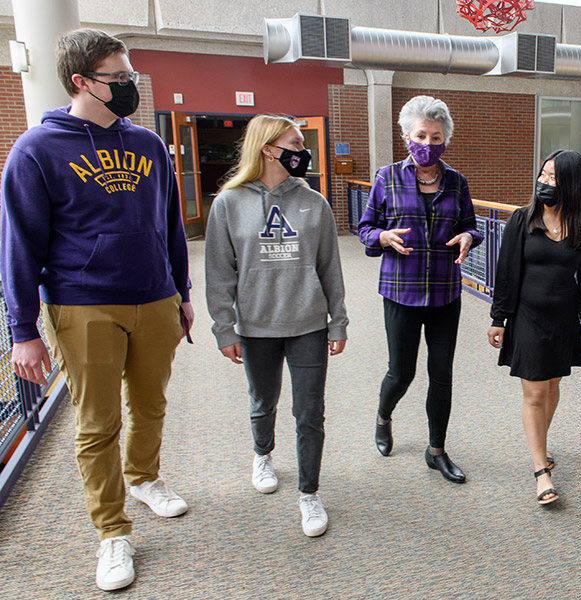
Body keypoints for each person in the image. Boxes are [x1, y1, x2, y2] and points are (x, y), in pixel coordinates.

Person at [0, 29, 192, 591]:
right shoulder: (36, 149)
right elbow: (19, 244)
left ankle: (144, 478)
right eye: (120, 77)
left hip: (155, 298)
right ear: (82, 81)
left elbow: (171, 225)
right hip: (83, 304)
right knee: (97, 422)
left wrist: (181, 293)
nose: (131, 85)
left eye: (131, 74)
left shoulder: (149, 145)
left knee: (151, 404)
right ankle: (112, 531)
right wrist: (23, 330)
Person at [205, 115, 348, 538]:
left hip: (308, 324)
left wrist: (338, 322)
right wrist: (224, 328)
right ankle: (262, 454)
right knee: (262, 401)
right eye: (295, 143)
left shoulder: (314, 203)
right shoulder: (229, 203)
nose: (303, 151)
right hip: (256, 325)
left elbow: (330, 268)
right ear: (268, 149)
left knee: (310, 413)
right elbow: (219, 273)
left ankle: (309, 493)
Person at [357, 95, 483, 483]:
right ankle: (383, 417)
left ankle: (437, 450)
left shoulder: (457, 182)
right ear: (407, 136)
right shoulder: (386, 177)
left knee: (441, 373)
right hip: (401, 292)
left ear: (445, 140)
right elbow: (364, 228)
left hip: (445, 292)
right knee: (402, 372)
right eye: (421, 135)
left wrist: (468, 237)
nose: (428, 143)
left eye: (436, 137)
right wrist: (381, 237)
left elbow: (470, 226)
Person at [488, 150, 581, 505]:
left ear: (572, 184)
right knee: (535, 392)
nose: (545, 183)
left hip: (563, 319)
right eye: (543, 175)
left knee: (552, 386)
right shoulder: (522, 219)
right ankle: (541, 472)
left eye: (554, 178)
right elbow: (506, 273)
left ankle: (539, 444)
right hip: (527, 317)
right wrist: (498, 319)